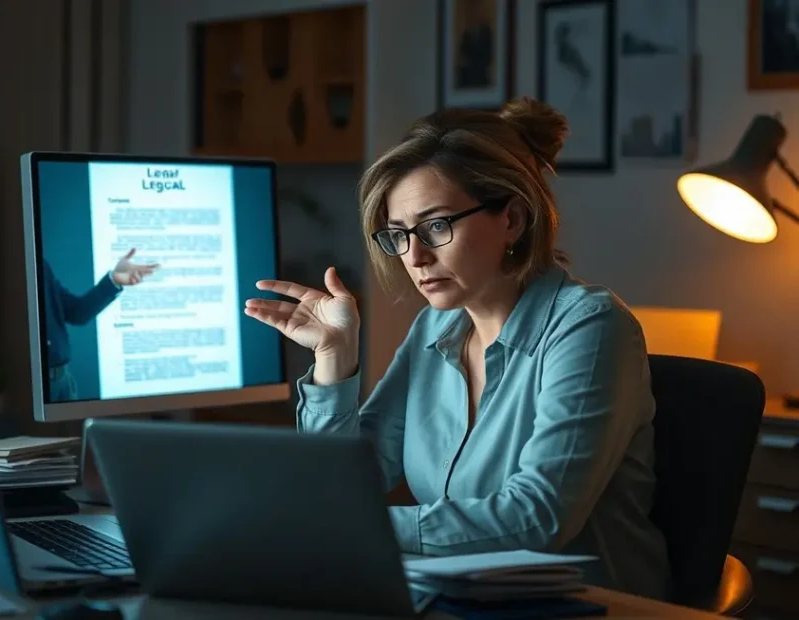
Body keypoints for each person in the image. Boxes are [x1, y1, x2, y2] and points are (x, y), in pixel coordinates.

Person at [244, 98, 669, 599]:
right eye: (398, 235)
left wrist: (356, 528)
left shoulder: (591, 326)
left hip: (587, 608)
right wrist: (334, 360)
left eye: (436, 226)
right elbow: (344, 485)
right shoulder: (434, 327)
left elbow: (538, 517)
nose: (416, 257)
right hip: (460, 599)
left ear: (511, 218)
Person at [44, 248, 158, 401]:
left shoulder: (42, 267)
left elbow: (77, 313)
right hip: (39, 385)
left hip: (64, 382)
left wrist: (114, 280)